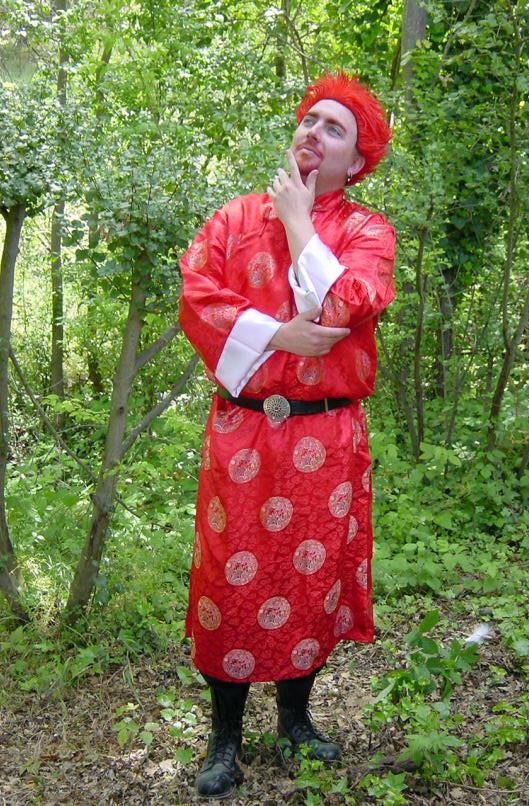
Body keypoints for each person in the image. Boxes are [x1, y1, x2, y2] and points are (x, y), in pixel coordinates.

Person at [178, 72, 395, 799]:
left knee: (310, 579)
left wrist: (301, 222)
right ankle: (224, 739)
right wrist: (277, 334)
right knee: (228, 584)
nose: (314, 132)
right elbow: (197, 295)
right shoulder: (235, 218)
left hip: (325, 440)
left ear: (356, 160)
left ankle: (295, 721)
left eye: (335, 129)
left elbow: (350, 302)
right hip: (241, 435)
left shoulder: (368, 232)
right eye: (309, 120)